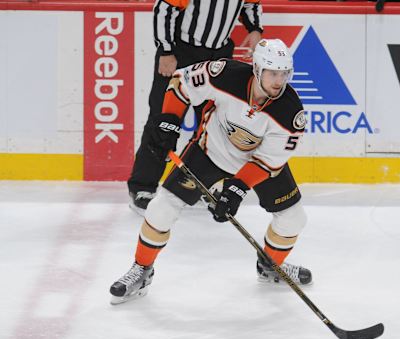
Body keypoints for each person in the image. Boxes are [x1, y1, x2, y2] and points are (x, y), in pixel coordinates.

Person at [110, 39, 312, 305]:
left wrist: (237, 190)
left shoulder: (290, 112)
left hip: (255, 165)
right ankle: (142, 270)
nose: (278, 81)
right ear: (257, 69)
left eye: (284, 73)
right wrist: (170, 121)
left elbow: (267, 161)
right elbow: (181, 82)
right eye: (272, 73)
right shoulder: (225, 75)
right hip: (210, 153)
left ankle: (270, 266)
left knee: (293, 218)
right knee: (162, 207)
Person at [128, 0, 264, 215]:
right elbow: (164, 8)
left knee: (213, 123)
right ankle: (143, 187)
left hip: (218, 58)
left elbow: (251, 4)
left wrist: (255, 29)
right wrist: (165, 51)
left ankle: (199, 185)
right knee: (163, 119)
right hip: (182, 52)